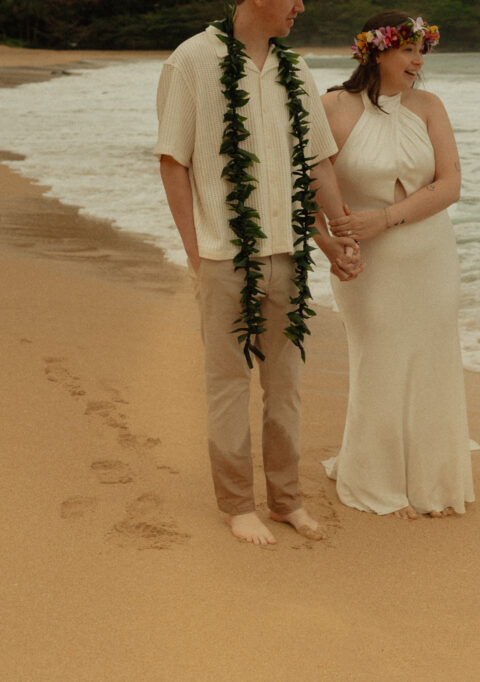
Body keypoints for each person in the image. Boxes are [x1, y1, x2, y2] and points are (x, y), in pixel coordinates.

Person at [154, 0, 362, 545]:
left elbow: (316, 163)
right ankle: (238, 504)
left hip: (290, 253)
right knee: (227, 385)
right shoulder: (191, 61)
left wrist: (338, 236)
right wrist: (197, 254)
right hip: (226, 255)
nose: (300, 5)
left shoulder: (297, 70)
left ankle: (286, 500)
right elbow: (173, 160)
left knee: (286, 387)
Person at [319, 11, 474, 519]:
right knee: (380, 358)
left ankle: (430, 480)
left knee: (431, 359)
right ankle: (377, 480)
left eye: (421, 50)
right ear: (376, 51)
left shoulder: (429, 106)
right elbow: (306, 186)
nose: (417, 60)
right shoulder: (331, 108)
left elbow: (450, 184)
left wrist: (385, 219)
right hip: (369, 263)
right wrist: (334, 242)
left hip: (430, 254)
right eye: (407, 50)